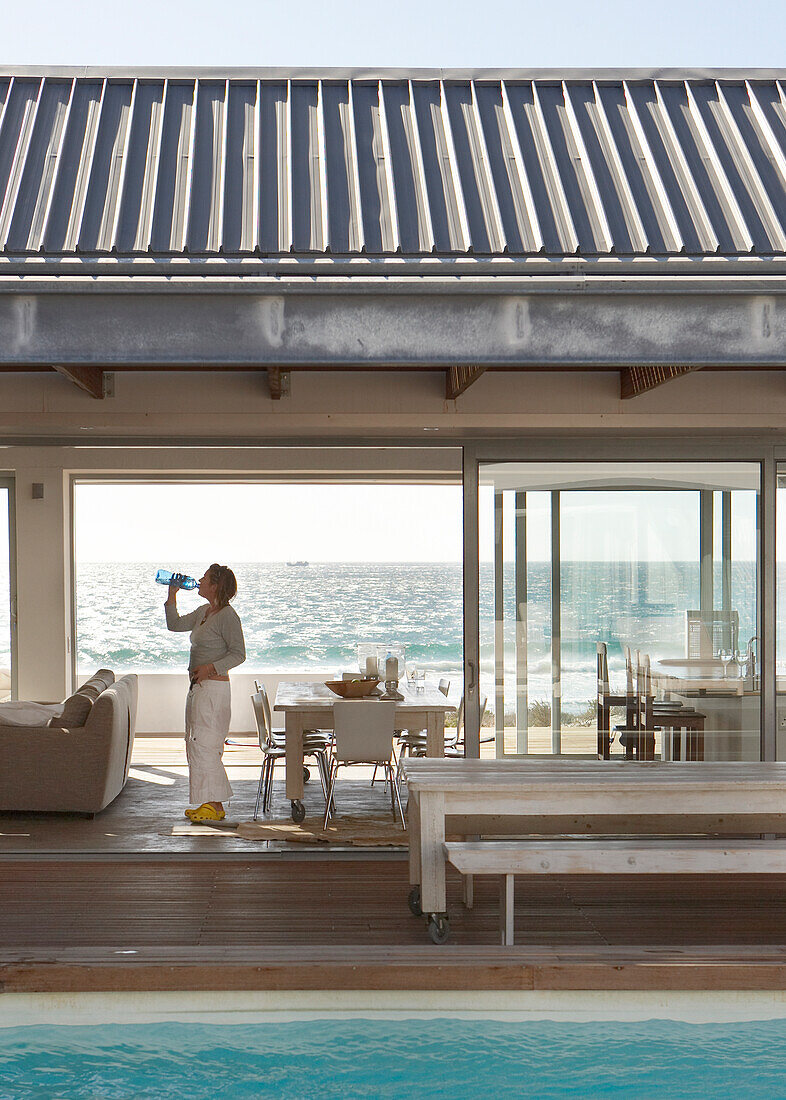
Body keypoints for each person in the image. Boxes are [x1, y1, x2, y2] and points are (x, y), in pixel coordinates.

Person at [164, 564, 246, 822]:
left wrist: (210, 668)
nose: (199, 580)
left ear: (216, 585)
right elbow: (174, 625)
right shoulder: (203, 612)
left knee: (207, 744)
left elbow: (238, 654)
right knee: (196, 742)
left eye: (205, 578)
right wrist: (172, 594)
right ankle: (210, 803)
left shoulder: (227, 616)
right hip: (198, 687)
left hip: (214, 689)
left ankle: (216, 805)